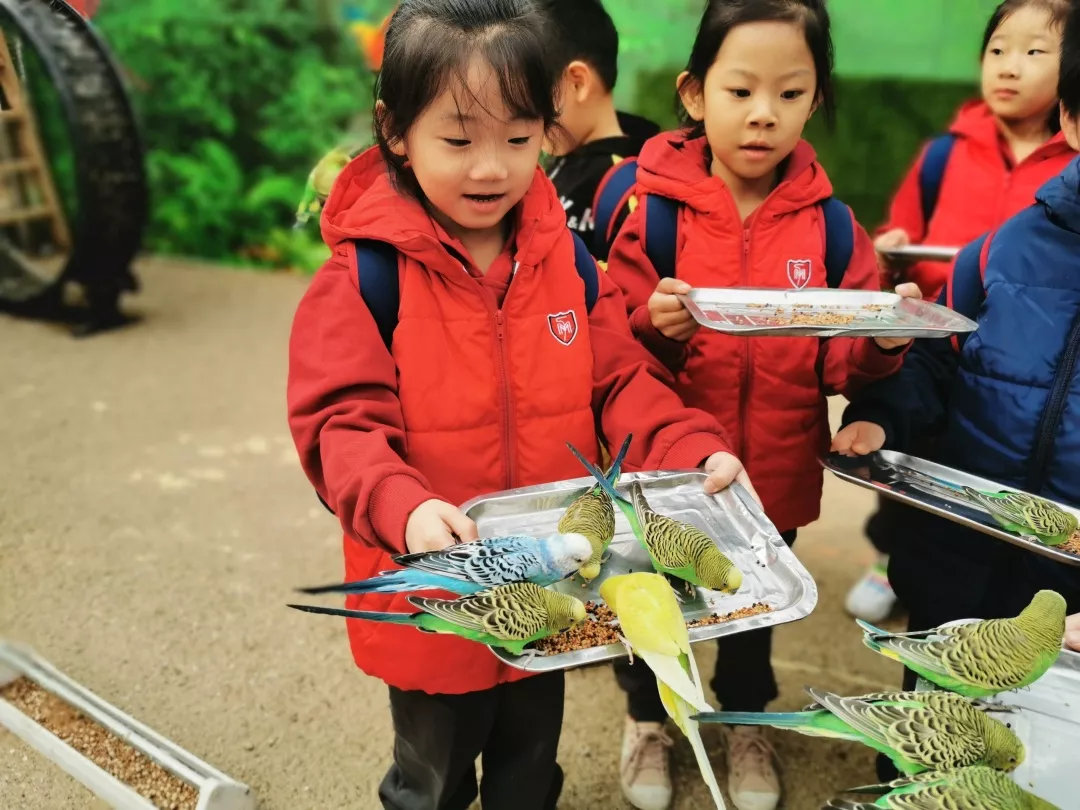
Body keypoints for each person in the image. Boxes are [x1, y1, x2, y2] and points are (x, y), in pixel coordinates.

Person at [286, 2, 754, 809]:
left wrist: (686, 446)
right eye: (458, 140)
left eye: (517, 138)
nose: (490, 169)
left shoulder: (564, 260)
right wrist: (403, 509)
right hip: (435, 594)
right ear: (394, 129)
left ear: (549, 124)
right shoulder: (364, 278)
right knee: (431, 776)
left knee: (530, 767)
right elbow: (339, 424)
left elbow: (618, 382)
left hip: (552, 595)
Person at [602, 2, 920, 808]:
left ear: (816, 100)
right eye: (740, 90)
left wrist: (883, 337)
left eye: (789, 93)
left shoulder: (833, 229)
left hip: (770, 472)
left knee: (750, 607)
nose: (762, 114)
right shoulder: (655, 211)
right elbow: (614, 351)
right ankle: (648, 721)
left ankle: (747, 722)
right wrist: (659, 327)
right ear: (694, 94)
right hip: (664, 469)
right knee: (655, 596)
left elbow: (838, 355)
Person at [834, 0, 1080, 774]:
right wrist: (880, 415)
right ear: (1072, 117)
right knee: (926, 747)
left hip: (1067, 602)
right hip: (958, 566)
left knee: (1037, 764)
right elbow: (943, 363)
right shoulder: (1006, 247)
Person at [538, 0, 659, 254]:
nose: (528, 119)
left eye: (533, 97)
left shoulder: (632, 187)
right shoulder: (562, 157)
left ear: (578, 83)